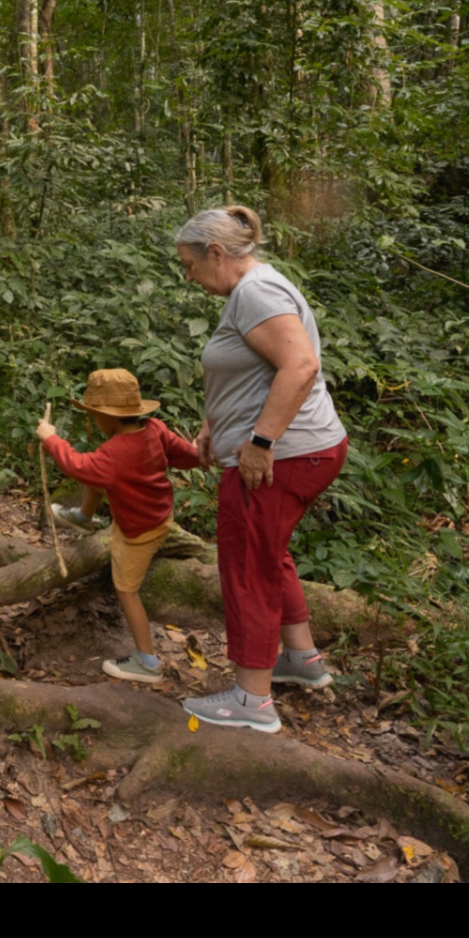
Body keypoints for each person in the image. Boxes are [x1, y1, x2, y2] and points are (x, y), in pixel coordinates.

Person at [174, 204, 348, 734]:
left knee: (248, 565)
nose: (188, 276)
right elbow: (251, 371)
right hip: (301, 450)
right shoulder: (250, 290)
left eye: (190, 265)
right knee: (268, 553)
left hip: (286, 454)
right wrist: (213, 423)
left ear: (217, 253)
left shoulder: (256, 292)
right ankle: (300, 659)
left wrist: (260, 442)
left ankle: (252, 700)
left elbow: (300, 364)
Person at [36, 369, 205, 684]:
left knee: (127, 589)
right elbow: (186, 456)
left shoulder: (113, 455)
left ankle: (148, 662)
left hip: (140, 531)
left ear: (107, 417)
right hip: (159, 514)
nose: (93, 419)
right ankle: (83, 517)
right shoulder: (154, 428)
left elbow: (76, 465)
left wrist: (51, 439)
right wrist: (202, 452)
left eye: (94, 414)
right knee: (97, 475)